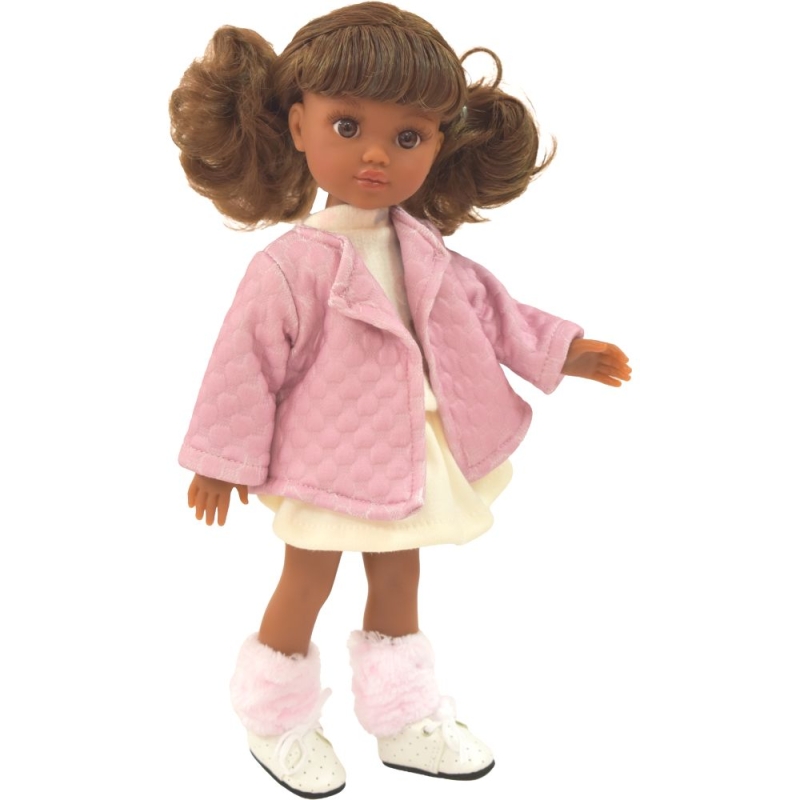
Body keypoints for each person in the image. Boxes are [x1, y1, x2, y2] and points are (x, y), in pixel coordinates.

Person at [170, 3, 631, 796]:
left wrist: (562, 350)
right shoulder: (290, 267)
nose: (377, 154)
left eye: (408, 136)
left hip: (413, 452)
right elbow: (242, 364)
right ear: (299, 125)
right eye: (348, 127)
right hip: (327, 458)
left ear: (439, 143)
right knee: (307, 577)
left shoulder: (425, 249)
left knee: (398, 578)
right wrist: (219, 459)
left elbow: (491, 310)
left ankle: (403, 716)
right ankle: (274, 716)